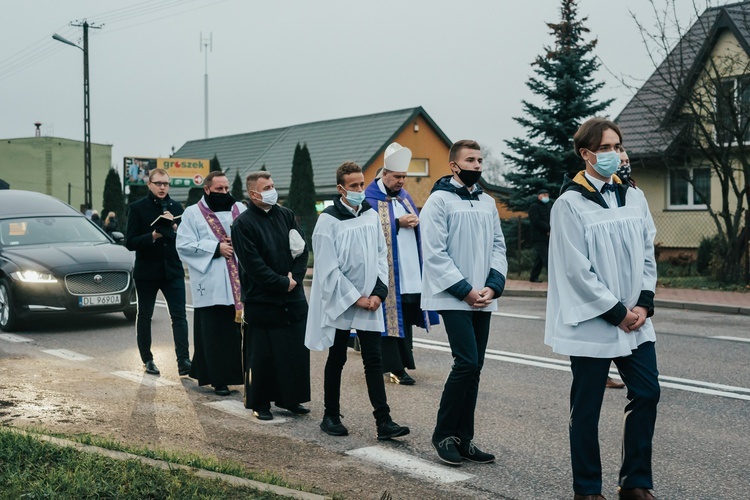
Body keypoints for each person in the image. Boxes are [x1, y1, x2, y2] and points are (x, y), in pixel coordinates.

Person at [545, 118, 659, 500]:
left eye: (618, 146)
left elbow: (647, 254)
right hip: (593, 321)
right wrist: (616, 313)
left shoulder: (634, 197)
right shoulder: (569, 204)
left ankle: (635, 482)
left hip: (636, 318)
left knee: (647, 392)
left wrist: (643, 304)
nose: (616, 154)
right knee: (587, 407)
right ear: (586, 154)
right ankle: (587, 490)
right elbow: (576, 271)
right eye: (607, 148)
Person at [306, 161, 410, 441]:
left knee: (374, 360)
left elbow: (380, 254)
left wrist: (378, 292)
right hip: (343, 300)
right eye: (354, 186)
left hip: (371, 299)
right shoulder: (327, 220)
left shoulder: (370, 213)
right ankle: (330, 415)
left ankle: (384, 421)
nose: (360, 190)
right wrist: (356, 298)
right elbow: (328, 269)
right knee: (337, 357)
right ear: (341, 188)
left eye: (362, 184)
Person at [420, 140, 507, 466]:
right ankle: (443, 434)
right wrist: (465, 289)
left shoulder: (487, 201)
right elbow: (434, 252)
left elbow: (499, 246)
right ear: (454, 166)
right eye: (470, 160)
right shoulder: (438, 202)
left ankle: (464, 439)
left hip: (482, 297)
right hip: (453, 295)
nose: (477, 165)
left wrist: (492, 286)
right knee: (466, 362)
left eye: (480, 160)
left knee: (475, 369)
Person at [232, 171, 311, 420]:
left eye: (273, 185)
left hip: (292, 297)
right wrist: (280, 283)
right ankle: (260, 403)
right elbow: (252, 265)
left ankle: (291, 398)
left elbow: (301, 251)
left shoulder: (285, 215)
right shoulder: (243, 224)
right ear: (253, 193)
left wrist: (295, 279)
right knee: (263, 355)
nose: (272, 190)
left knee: (294, 351)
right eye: (267, 187)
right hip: (263, 299)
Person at [364, 143, 438, 386]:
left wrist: (415, 221)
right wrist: (397, 222)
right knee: (388, 318)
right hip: (386, 272)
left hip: (409, 270)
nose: (401, 181)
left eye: (404, 177)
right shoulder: (369, 199)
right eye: (397, 176)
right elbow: (368, 229)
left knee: (404, 316)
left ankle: (404, 362)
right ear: (384, 174)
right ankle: (394, 368)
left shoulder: (404, 197)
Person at [176, 171, 245, 396]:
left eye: (226, 189)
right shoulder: (193, 213)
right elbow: (184, 245)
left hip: (237, 283)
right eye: (219, 189)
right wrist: (216, 248)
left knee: (235, 333)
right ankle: (218, 380)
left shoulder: (240, 210)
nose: (224, 193)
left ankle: (235, 375)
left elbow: (252, 236)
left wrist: (237, 241)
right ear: (207, 190)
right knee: (214, 332)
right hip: (212, 282)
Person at [125, 168, 190, 377]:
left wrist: (177, 231)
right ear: (149, 185)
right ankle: (148, 359)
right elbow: (130, 242)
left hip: (172, 270)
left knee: (179, 317)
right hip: (147, 272)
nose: (162, 187)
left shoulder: (176, 207)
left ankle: (183, 361)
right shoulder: (137, 208)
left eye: (166, 184)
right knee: (145, 316)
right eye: (158, 183)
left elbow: (183, 240)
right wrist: (153, 235)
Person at [528, 189, 552, 283]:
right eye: (544, 195)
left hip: (547, 236)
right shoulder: (534, 206)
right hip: (538, 236)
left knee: (540, 258)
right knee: (546, 257)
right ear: (539, 196)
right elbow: (536, 220)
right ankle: (553, 278)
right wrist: (548, 228)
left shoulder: (549, 206)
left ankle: (533, 277)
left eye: (547, 194)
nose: (546, 196)